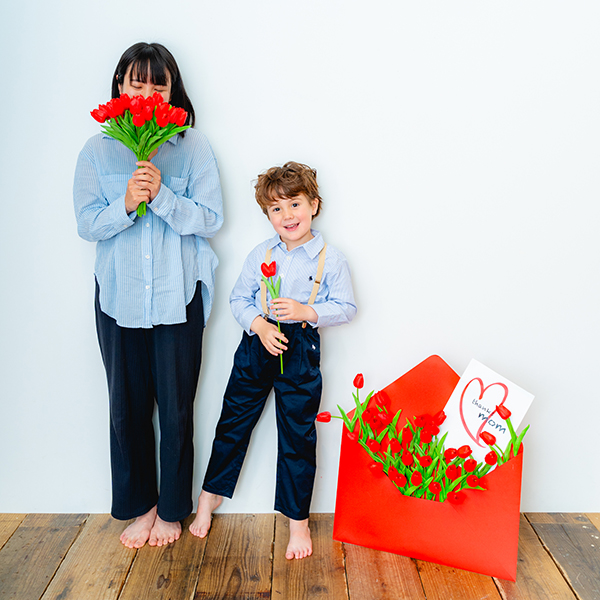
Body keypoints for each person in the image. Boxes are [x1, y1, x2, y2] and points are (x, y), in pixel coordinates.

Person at [73, 42, 223, 549]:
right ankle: (142, 506)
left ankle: (173, 508)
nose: (148, 92)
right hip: (118, 298)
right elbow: (87, 224)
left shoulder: (192, 147)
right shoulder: (97, 151)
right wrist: (126, 202)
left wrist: (162, 197)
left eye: (159, 84)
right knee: (126, 408)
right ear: (120, 85)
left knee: (177, 409)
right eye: (137, 82)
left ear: (172, 90)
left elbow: (211, 219)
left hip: (178, 295)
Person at [189, 162, 356, 559]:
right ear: (267, 215)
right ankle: (209, 496)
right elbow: (238, 298)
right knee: (233, 421)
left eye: (294, 204)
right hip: (258, 343)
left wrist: (306, 311)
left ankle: (298, 521)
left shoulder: (330, 259)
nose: (287, 215)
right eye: (276, 209)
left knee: (298, 436)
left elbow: (346, 307)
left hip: (300, 349)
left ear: (313, 205)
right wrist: (259, 326)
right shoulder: (261, 254)